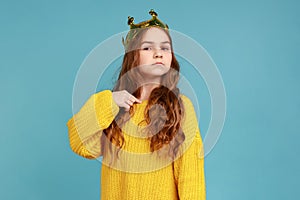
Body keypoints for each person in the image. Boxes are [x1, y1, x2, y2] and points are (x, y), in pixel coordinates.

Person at [67, 9, 206, 200]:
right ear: (133, 56)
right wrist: (109, 101)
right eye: (148, 48)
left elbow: (191, 178)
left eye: (165, 48)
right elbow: (80, 144)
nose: (158, 53)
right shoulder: (115, 108)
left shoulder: (180, 107)